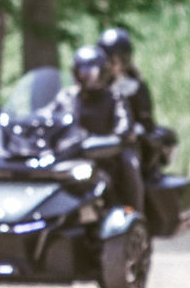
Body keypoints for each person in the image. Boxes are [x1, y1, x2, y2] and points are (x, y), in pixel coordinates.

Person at [54, 45, 143, 212]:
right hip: (72, 153)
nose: (87, 76)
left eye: (92, 71)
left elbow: (124, 126)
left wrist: (117, 138)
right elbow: (48, 117)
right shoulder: (66, 97)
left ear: (103, 72)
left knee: (129, 162)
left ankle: (134, 214)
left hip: (106, 155)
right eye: (83, 71)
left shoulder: (114, 98)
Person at [98, 26, 175, 177]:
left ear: (124, 60)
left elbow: (146, 121)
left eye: (114, 60)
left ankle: (135, 201)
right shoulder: (94, 84)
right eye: (106, 60)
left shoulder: (134, 86)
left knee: (130, 168)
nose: (109, 65)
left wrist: (132, 132)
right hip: (96, 143)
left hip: (124, 145)